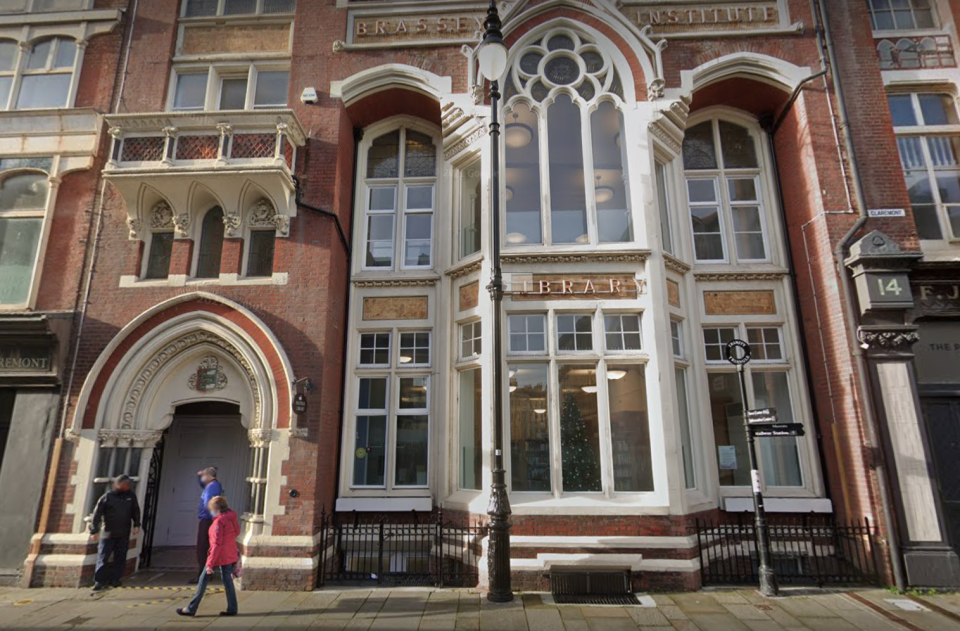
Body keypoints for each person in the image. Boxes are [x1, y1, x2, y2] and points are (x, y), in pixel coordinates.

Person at [177, 496, 240, 617]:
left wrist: (210, 564)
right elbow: (236, 532)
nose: (210, 512)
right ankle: (232, 608)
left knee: (202, 580)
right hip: (229, 554)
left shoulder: (218, 522)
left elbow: (216, 544)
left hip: (218, 555)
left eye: (211, 509)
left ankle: (191, 608)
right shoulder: (231, 517)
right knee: (227, 581)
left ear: (216, 509)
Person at [89, 474, 141, 591]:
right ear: (119, 484)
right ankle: (99, 581)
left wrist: (137, 524)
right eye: (126, 484)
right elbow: (97, 514)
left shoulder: (131, 496)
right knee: (103, 556)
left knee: (120, 557)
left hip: (124, 531)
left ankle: (116, 579)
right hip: (108, 532)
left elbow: (135, 511)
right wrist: (94, 530)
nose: (129, 486)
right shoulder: (107, 497)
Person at [191, 467, 223, 583]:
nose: (203, 477)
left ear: (209, 476)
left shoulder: (213, 486)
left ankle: (203, 574)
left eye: (204, 475)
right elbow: (202, 485)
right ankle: (205, 573)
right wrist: (200, 476)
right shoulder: (211, 485)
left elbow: (209, 503)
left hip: (207, 520)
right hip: (207, 519)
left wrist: (211, 515)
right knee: (204, 548)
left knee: (202, 548)